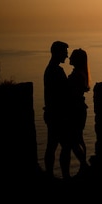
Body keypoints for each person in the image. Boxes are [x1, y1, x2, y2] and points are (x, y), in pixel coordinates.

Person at [43, 40, 70, 178]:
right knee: (65, 146)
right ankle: (65, 175)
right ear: (58, 53)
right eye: (65, 53)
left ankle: (50, 174)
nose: (66, 56)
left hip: (52, 113)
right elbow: (65, 92)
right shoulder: (56, 71)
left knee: (52, 146)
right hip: (58, 114)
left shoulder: (50, 69)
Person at [67, 48, 91, 177]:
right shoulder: (80, 73)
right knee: (79, 138)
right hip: (80, 109)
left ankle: (84, 165)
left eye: (72, 56)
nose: (69, 58)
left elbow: (72, 93)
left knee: (73, 140)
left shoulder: (77, 75)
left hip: (76, 110)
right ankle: (83, 167)